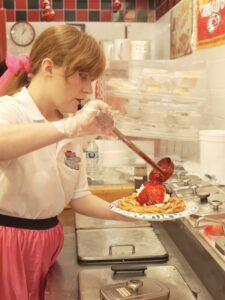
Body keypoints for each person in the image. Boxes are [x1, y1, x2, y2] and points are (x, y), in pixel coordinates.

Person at [0, 24, 131, 300]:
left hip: (47, 243)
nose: (88, 89)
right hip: (8, 245)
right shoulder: (11, 109)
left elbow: (79, 196)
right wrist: (72, 127)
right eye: (83, 76)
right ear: (48, 68)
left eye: (92, 79)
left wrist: (129, 211)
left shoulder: (68, 123)